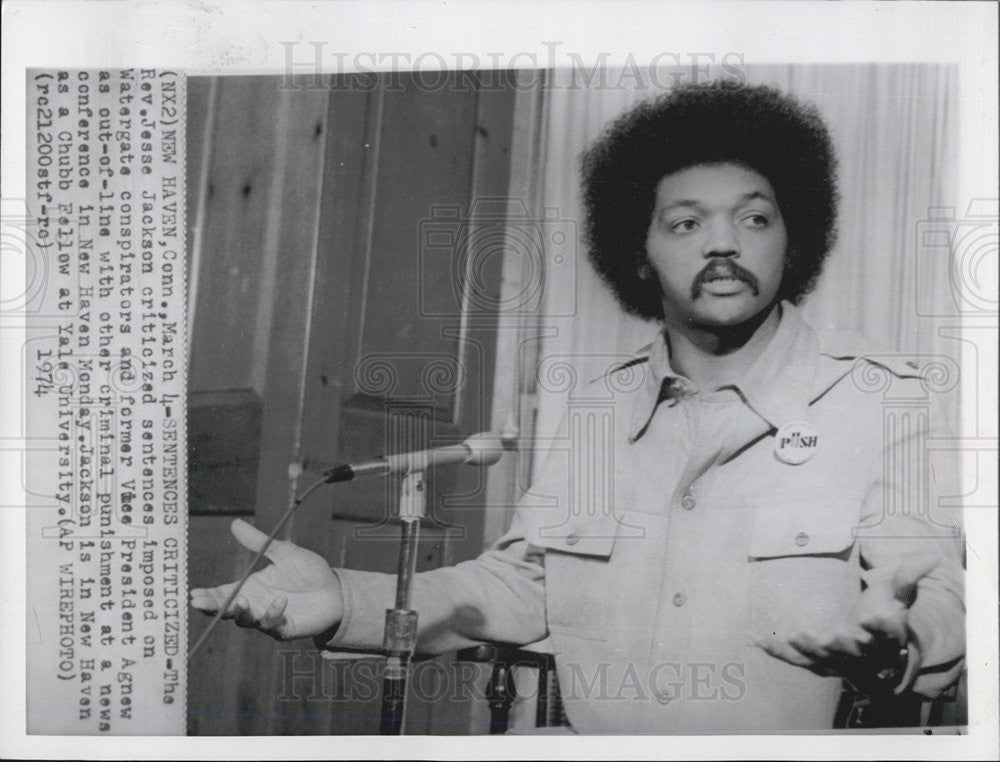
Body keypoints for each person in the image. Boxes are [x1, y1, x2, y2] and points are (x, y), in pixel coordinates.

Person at [191, 82, 965, 732]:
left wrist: (901, 647)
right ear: (638, 251)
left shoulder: (878, 400)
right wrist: (347, 599)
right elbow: (522, 586)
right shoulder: (599, 412)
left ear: (794, 240)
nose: (723, 244)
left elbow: (935, 588)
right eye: (687, 222)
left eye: (755, 218)